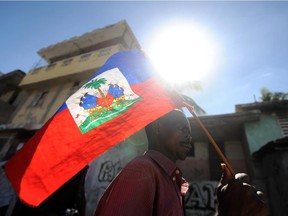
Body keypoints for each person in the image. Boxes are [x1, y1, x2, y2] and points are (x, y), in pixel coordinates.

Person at [94, 109, 268, 216]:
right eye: (183, 129)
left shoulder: (170, 179)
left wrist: (225, 209)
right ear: (158, 128)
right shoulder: (142, 170)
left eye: (190, 132)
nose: (189, 137)